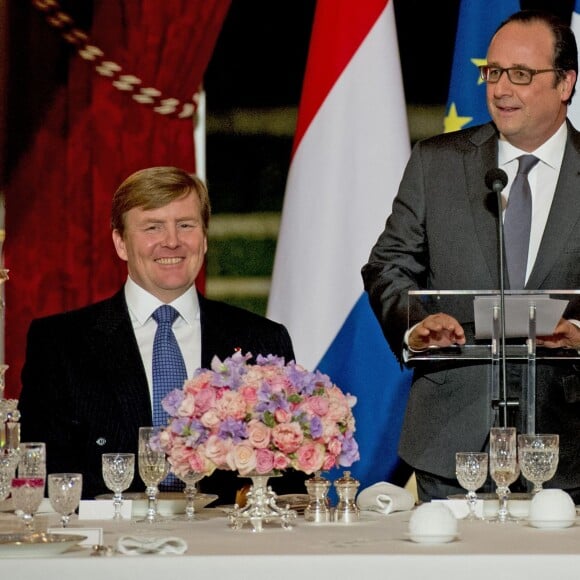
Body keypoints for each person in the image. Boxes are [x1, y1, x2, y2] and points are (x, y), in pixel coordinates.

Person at [362, 9, 580, 503]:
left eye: (521, 75)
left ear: (565, 83)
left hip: (569, 439)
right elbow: (387, 266)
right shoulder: (437, 163)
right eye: (493, 71)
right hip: (452, 437)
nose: (501, 89)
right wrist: (414, 325)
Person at [18, 166, 306, 502]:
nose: (172, 241)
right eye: (153, 227)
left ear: (204, 237)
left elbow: (290, 479)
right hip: (107, 545)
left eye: (186, 225)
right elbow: (43, 469)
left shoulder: (263, 341)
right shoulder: (60, 343)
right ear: (121, 243)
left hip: (227, 546)